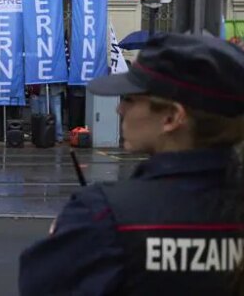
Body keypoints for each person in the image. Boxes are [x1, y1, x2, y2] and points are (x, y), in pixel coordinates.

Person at [19, 33, 244, 295]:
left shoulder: (104, 216)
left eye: (129, 98)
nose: (119, 109)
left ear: (171, 117)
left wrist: (75, 235)